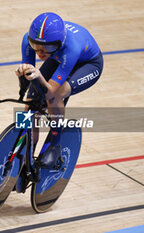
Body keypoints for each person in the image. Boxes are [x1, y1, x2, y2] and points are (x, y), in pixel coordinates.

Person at [15, 12, 103, 169]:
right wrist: (24, 75)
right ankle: (25, 143)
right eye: (36, 46)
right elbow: (29, 80)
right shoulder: (28, 41)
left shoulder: (71, 47)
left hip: (86, 64)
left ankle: (55, 145)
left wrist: (39, 77)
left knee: (55, 96)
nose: (40, 52)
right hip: (57, 58)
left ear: (59, 43)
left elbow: (51, 92)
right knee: (31, 101)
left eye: (47, 47)